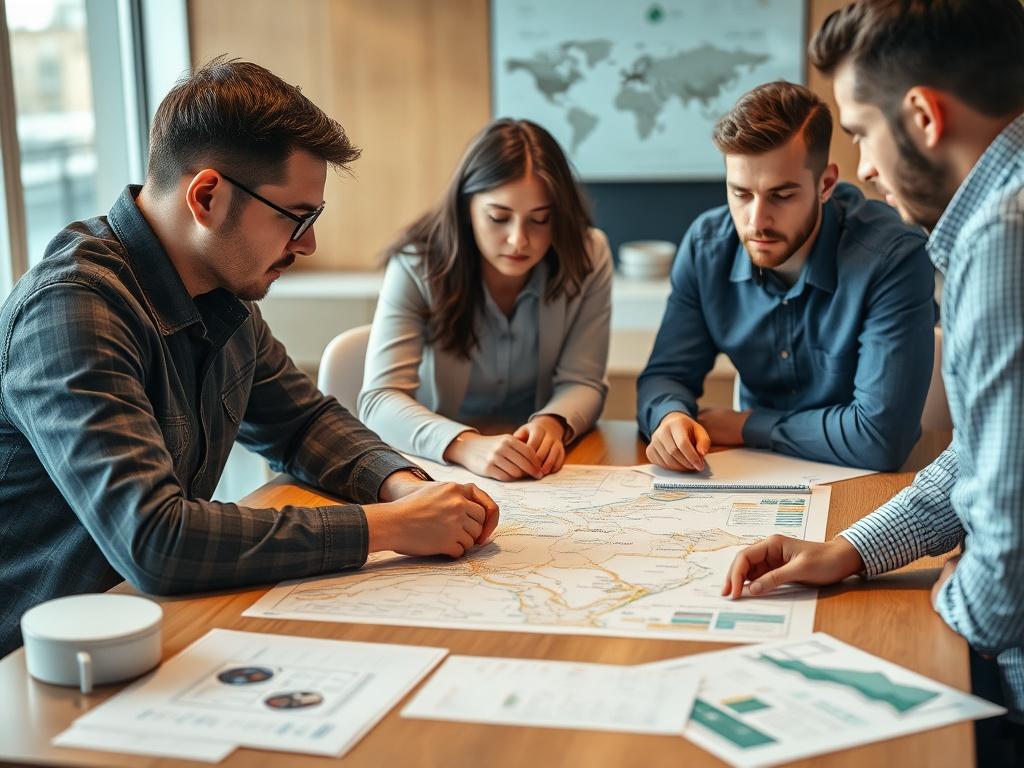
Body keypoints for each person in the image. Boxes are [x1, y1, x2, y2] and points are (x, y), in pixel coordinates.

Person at [0, 59, 499, 659]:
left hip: (150, 627)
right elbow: (154, 539)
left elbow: (303, 422)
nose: (309, 243)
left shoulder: (214, 291)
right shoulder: (72, 311)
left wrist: (405, 490)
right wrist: (387, 529)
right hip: (38, 663)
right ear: (207, 196)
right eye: (297, 217)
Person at [722, 0, 1024, 761]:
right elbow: (991, 451)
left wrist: (945, 608)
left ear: (922, 116)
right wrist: (854, 548)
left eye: (860, 130)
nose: (861, 169)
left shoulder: (1003, 237)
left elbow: (1004, 565)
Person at [638, 81, 936, 473]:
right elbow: (666, 376)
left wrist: (746, 425)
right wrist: (669, 417)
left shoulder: (893, 256)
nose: (757, 221)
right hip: (754, 474)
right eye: (741, 194)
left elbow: (880, 439)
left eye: (781, 195)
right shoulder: (707, 246)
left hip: (864, 483)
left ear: (826, 184)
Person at [358, 118, 612, 481]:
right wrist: (463, 443)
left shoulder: (588, 255)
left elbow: (584, 380)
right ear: (466, 209)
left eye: (539, 220)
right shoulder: (418, 263)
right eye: (498, 217)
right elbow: (379, 399)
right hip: (438, 462)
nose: (518, 241)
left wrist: (553, 422)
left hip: (537, 469)